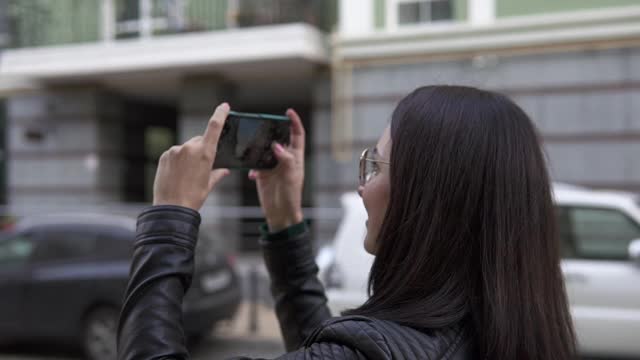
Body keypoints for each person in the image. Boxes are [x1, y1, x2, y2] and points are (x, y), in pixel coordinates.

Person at [117, 85, 577, 360]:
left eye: (376, 164)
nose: (363, 187)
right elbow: (344, 347)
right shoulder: (503, 330)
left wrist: (169, 218)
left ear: (429, 197)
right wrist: (285, 226)